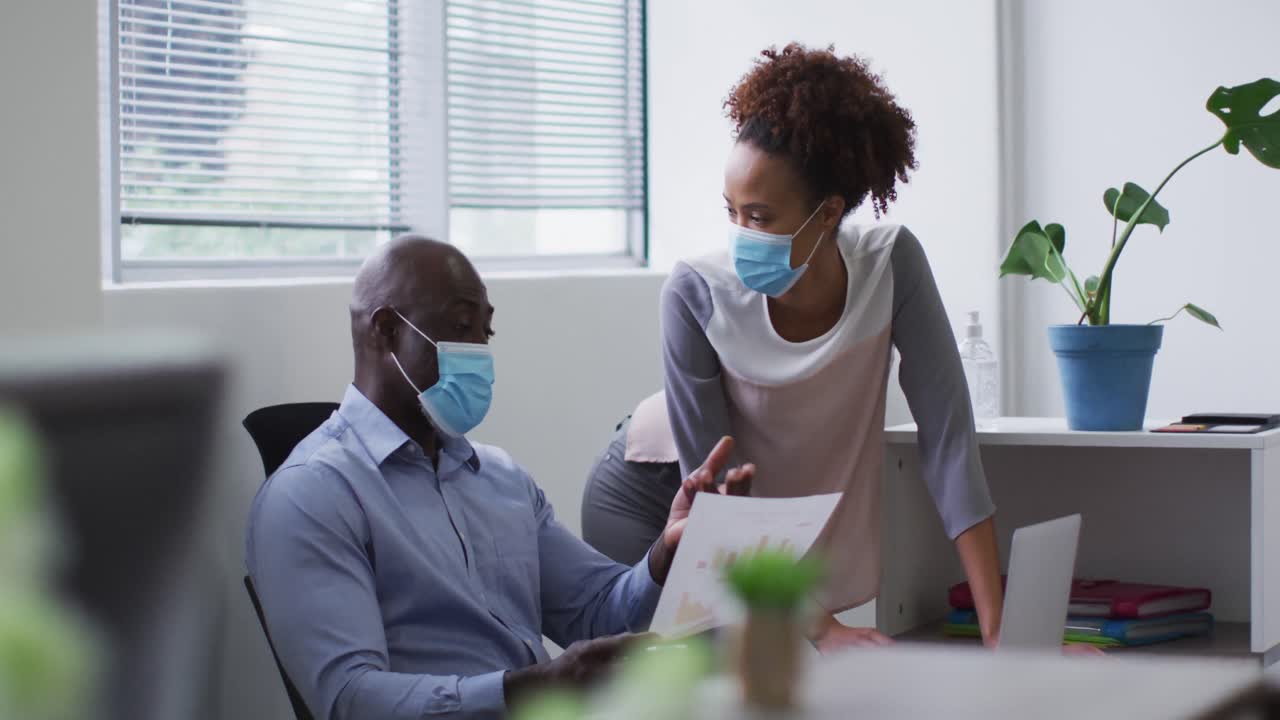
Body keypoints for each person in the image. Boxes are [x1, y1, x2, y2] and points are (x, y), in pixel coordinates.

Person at [582, 43, 1003, 652]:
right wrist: (821, 626)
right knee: (713, 683)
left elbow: (950, 445)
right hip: (653, 495)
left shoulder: (892, 265)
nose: (739, 236)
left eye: (759, 216)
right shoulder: (695, 292)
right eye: (731, 212)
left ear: (828, 213)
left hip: (757, 513)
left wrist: (1000, 633)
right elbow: (717, 489)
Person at [245, 236, 754, 720]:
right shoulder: (311, 494)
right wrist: (528, 687)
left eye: (484, 332)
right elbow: (350, 700)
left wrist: (665, 556)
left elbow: (601, 612)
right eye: (461, 326)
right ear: (386, 330)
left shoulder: (500, 478)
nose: (479, 352)